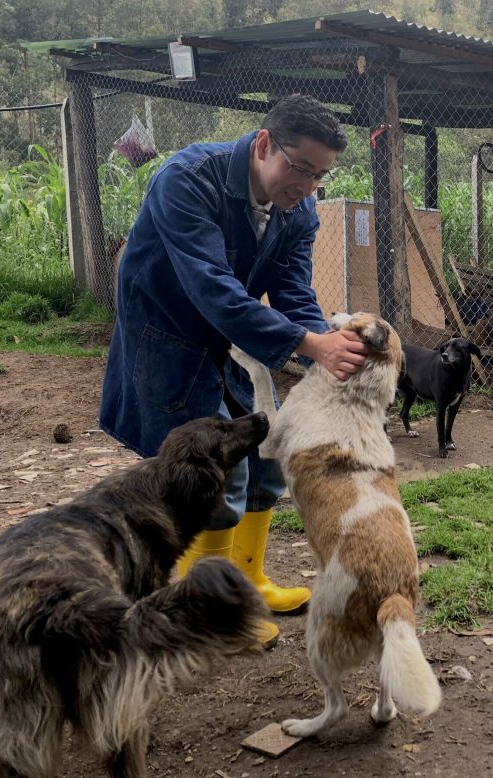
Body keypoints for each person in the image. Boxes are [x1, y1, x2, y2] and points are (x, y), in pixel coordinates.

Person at [100, 94, 368, 645]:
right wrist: (310, 345)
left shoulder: (298, 208)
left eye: (320, 176)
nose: (307, 186)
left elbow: (292, 290)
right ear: (264, 144)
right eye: (300, 168)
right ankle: (209, 612)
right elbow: (212, 288)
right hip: (167, 335)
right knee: (213, 472)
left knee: (265, 455)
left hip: (227, 336)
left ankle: (249, 584)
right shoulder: (187, 179)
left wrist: (320, 352)